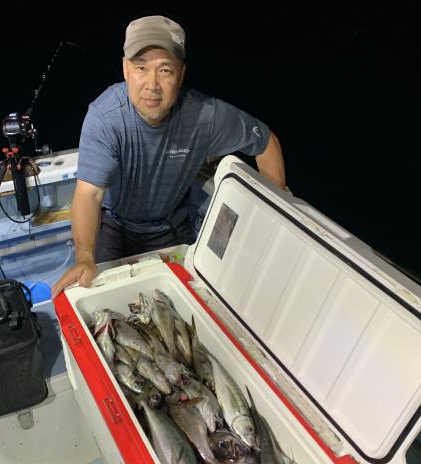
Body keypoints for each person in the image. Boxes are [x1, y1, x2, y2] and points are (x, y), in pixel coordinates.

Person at [51, 15, 286, 298]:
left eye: (165, 70)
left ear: (181, 74)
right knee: (103, 295)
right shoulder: (105, 117)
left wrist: (275, 211)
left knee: (196, 296)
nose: (152, 85)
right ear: (125, 69)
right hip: (116, 226)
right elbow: (89, 194)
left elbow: (266, 142)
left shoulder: (205, 115)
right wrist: (84, 258)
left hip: (171, 224)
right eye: (141, 68)